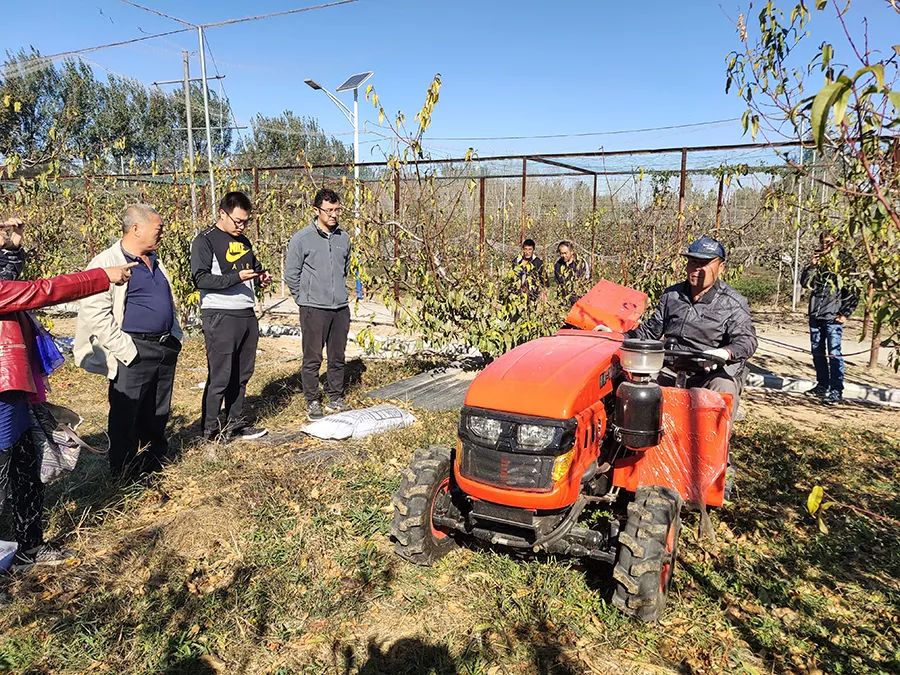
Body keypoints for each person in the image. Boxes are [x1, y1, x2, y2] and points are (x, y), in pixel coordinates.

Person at [0, 216, 134, 567]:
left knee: (25, 464)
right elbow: (40, 290)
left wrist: (11, 248)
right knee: (9, 464)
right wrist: (102, 277)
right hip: (2, 388)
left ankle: (29, 547)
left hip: (10, 385)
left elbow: (12, 286)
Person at [74, 205, 183, 478]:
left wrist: (175, 336)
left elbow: (168, 301)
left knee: (158, 408)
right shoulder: (105, 262)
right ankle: (123, 472)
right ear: (136, 229)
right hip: (133, 348)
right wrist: (126, 349)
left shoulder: (155, 260)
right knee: (127, 413)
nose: (163, 233)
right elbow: (95, 312)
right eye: (158, 229)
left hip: (163, 345)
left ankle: (153, 462)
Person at [624, 235, 758, 415]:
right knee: (634, 387)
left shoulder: (733, 303)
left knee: (723, 389)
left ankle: (711, 441)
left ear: (721, 267)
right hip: (670, 369)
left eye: (704, 263)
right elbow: (650, 331)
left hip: (709, 374)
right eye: (692, 262)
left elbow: (747, 341)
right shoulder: (672, 295)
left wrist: (724, 353)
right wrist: (618, 337)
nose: (696, 269)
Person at [191, 191, 271, 441]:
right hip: (220, 314)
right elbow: (200, 278)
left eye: (246, 221)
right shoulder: (205, 240)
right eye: (237, 221)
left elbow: (253, 269)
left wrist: (261, 278)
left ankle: (235, 423)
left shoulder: (244, 241)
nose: (242, 226)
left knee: (242, 373)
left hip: (245, 313)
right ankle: (210, 430)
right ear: (222, 214)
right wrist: (235, 278)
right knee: (221, 374)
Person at [284, 188, 352, 421]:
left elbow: (344, 269)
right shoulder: (302, 239)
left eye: (337, 210)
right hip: (313, 308)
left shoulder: (344, 237)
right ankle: (312, 400)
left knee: (337, 356)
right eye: (329, 210)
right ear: (316, 210)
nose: (334, 214)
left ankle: (336, 396)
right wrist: (304, 300)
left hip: (340, 308)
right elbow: (291, 274)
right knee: (313, 357)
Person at [800, 234, 859, 405]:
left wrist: (845, 313)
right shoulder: (818, 260)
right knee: (817, 352)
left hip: (833, 316)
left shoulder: (845, 262)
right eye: (823, 242)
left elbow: (853, 290)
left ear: (837, 242)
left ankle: (836, 389)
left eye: (829, 242)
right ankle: (822, 385)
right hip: (816, 314)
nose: (825, 245)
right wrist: (811, 266)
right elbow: (805, 283)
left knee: (834, 353)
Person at [553, 240, 590, 305]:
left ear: (571, 252)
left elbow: (587, 280)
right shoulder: (558, 265)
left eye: (565, 253)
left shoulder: (581, 263)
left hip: (580, 300)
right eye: (561, 253)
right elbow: (559, 283)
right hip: (564, 302)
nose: (563, 255)